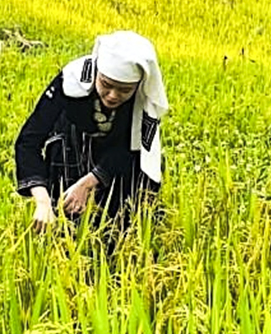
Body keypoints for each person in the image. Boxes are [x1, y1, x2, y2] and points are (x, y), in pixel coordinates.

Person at [16, 31, 167, 235]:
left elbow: (133, 150)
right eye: (106, 84)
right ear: (97, 72)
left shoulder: (141, 99)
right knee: (65, 230)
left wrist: (89, 182)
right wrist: (42, 201)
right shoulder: (70, 81)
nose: (113, 96)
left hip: (119, 169)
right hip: (71, 154)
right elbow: (28, 141)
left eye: (124, 90)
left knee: (118, 230)